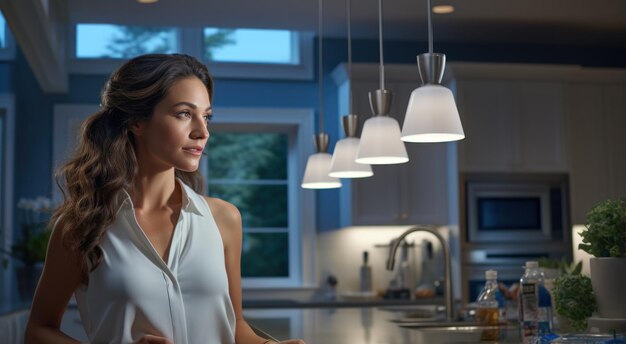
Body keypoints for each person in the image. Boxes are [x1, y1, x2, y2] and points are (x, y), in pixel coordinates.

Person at [25, 54, 305, 344]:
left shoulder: (224, 219)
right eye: (184, 113)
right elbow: (37, 331)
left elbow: (236, 329)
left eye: (206, 116)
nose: (202, 131)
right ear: (136, 121)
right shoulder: (81, 225)